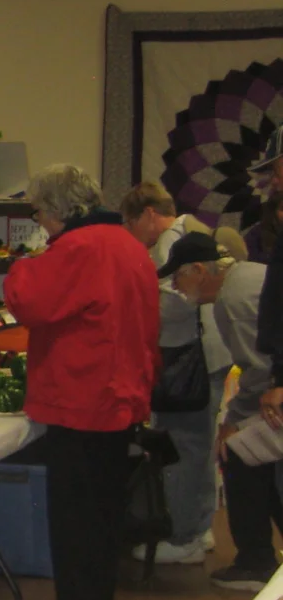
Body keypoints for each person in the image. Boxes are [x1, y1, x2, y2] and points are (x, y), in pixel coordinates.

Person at [4, 165, 158, 600]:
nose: (41, 222)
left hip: (84, 399)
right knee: (101, 517)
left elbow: (29, 301)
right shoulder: (127, 245)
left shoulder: (80, 248)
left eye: (40, 213)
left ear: (57, 209)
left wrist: (20, 263)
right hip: (118, 396)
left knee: (77, 519)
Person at [162, 232, 283, 590]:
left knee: (239, 454)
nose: (177, 287)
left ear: (200, 270)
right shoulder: (248, 275)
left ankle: (255, 561)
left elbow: (260, 370)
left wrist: (232, 423)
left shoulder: (231, 299)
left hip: (275, 391)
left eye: (179, 277)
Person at [117, 182, 226, 564]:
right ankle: (200, 528)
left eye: (131, 223)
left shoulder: (170, 242)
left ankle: (183, 539)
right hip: (208, 358)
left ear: (148, 213)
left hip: (186, 363)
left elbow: (164, 308)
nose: (134, 235)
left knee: (182, 449)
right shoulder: (196, 228)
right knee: (199, 449)